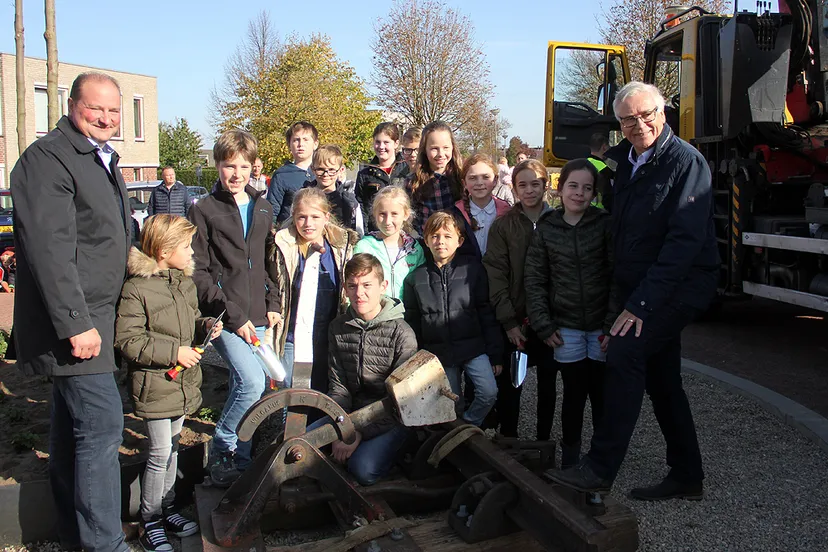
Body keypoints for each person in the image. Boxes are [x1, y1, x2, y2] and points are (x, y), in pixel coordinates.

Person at [546, 82, 719, 500]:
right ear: (619, 123)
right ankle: (687, 476)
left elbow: (683, 244)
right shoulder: (620, 162)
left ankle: (599, 469)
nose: (638, 124)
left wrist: (640, 305)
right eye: (627, 119)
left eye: (647, 115)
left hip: (676, 285)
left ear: (664, 113)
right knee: (662, 380)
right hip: (640, 284)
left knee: (624, 352)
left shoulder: (686, 163)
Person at [10, 72, 131, 552]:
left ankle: (75, 538)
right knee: (102, 427)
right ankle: (105, 544)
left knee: (70, 433)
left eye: (114, 111)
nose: (106, 118)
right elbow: (49, 251)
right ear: (72, 105)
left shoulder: (100, 158)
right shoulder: (49, 159)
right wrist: (76, 323)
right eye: (95, 108)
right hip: (78, 323)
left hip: (97, 317)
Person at [115, 215, 222, 549]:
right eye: (186, 246)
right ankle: (150, 520)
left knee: (173, 450)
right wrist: (174, 351)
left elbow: (187, 322)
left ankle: (167, 507)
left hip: (180, 384)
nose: (192, 253)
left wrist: (204, 326)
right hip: (157, 384)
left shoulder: (182, 283)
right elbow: (129, 340)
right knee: (160, 453)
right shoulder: (136, 288)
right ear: (163, 250)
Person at [188, 130, 281, 487]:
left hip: (258, 313)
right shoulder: (204, 211)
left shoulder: (262, 206)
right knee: (252, 382)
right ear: (218, 166)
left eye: (244, 166)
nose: (237, 173)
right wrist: (234, 316)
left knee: (255, 383)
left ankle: (239, 462)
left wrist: (272, 302)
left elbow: (269, 261)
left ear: (253, 167)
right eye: (229, 166)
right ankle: (223, 447)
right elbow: (198, 271)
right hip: (224, 316)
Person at [524, 159, 616, 468]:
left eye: (587, 188)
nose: (579, 193)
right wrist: (543, 324)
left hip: (601, 325)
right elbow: (535, 280)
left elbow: (616, 275)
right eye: (573, 186)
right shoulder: (547, 229)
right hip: (567, 327)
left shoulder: (604, 224)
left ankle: (603, 459)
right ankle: (571, 457)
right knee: (574, 394)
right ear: (560, 188)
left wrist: (611, 323)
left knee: (603, 395)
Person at [319, 254, 419, 485]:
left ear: (383, 286)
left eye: (367, 285)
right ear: (345, 288)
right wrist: (342, 427)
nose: (359, 293)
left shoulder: (401, 334)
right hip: (351, 413)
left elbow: (400, 400)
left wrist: (359, 434)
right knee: (304, 443)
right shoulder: (338, 328)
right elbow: (338, 385)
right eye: (352, 286)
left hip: (392, 418)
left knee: (362, 470)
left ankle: (398, 452)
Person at [403, 211, 503, 427]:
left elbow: (485, 311)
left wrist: (495, 354)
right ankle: (457, 441)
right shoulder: (416, 277)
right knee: (451, 402)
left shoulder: (473, 270)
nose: (441, 242)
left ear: (460, 240)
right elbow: (413, 321)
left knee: (489, 391)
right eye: (435, 236)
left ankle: (469, 425)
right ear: (426, 239)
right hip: (440, 354)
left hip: (473, 347)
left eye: (447, 236)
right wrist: (417, 358)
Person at [483, 159, 557, 439]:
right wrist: (509, 321)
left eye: (535, 184)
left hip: (551, 320)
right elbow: (496, 274)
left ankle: (543, 440)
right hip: (516, 320)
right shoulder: (504, 226)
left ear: (545, 186)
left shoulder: (558, 222)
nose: (529, 191)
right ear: (513, 188)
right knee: (512, 384)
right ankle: (509, 438)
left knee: (548, 385)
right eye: (522, 185)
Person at [267, 188, 358, 393]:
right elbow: (272, 283)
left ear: (326, 217)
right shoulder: (283, 245)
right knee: (292, 389)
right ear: (293, 217)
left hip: (327, 331)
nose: (308, 224)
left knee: (321, 386)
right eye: (302, 217)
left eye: (315, 217)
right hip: (293, 333)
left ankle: (316, 425)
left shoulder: (340, 246)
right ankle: (290, 425)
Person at [354, 186, 425, 300]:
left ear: (406, 215)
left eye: (394, 214)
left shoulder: (415, 250)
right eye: (382, 214)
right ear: (375, 214)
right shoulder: (365, 247)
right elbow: (355, 282)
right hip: (375, 313)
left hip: (406, 314)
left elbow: (421, 286)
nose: (388, 221)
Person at [406, 121, 464, 236]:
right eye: (434, 148)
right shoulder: (413, 182)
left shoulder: (461, 177)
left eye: (446, 147)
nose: (440, 154)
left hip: (459, 243)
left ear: (453, 147)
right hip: (427, 244)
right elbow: (411, 221)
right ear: (424, 150)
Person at [355, 122, 410, 232]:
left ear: (396, 143)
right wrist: (365, 235)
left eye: (386, 142)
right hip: (376, 234)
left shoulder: (408, 169)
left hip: (405, 234)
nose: (381, 147)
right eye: (377, 142)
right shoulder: (365, 174)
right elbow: (362, 209)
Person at [454, 153, 511, 257]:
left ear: (495, 180)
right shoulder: (455, 214)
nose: (479, 183)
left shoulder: (507, 212)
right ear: (464, 183)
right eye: (472, 178)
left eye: (485, 177)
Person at [268, 121, 319, 225]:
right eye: (296, 140)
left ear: (315, 144)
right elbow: (272, 211)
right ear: (289, 144)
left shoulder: (324, 173)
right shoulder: (281, 175)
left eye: (305, 139)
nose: (301, 144)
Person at [303, 145, 362, 234]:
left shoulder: (348, 201)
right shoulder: (303, 198)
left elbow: (358, 232)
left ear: (340, 170)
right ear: (313, 169)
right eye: (320, 169)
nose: (325, 174)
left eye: (331, 170)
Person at [587, 133, 615, 212]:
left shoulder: (585, 162)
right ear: (604, 147)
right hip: (600, 212)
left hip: (586, 209)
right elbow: (608, 194)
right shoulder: (603, 168)